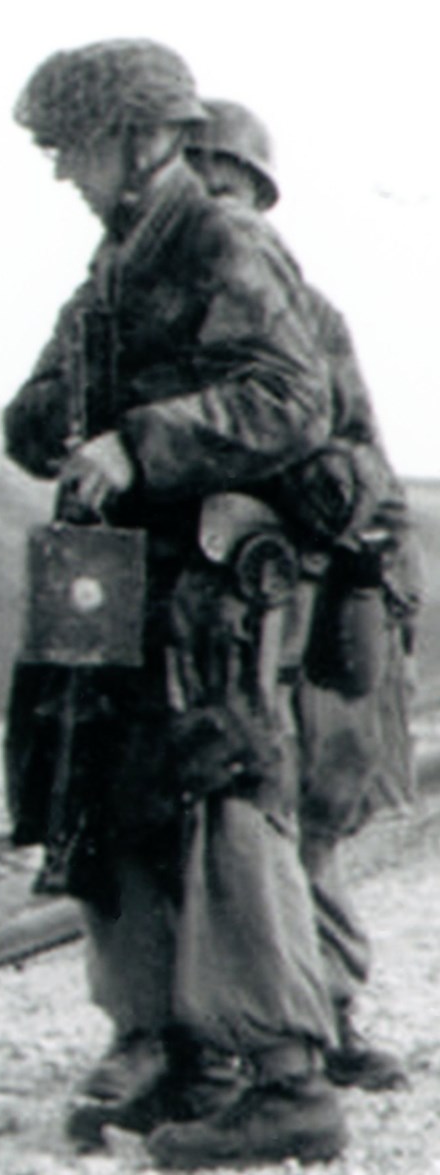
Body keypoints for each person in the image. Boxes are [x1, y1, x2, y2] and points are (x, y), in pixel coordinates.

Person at [2, 39, 350, 1167]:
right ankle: (179, 1053)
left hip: (201, 581)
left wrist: (139, 442)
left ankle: (291, 1078)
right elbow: (41, 398)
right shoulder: (115, 259)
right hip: (115, 580)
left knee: (225, 802)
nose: (63, 172)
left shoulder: (221, 236)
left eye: (73, 148)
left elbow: (293, 399)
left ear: (141, 138)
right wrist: (48, 416)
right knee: (114, 801)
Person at [188, 98, 421, 1092]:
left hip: (316, 594)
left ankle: (331, 1011)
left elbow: (363, 447)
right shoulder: (150, 308)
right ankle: (200, 1037)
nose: (210, 196)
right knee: (229, 814)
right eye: (195, 177)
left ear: (259, 194)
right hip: (214, 602)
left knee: (317, 812)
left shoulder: (311, 315)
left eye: (227, 179)